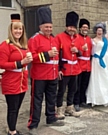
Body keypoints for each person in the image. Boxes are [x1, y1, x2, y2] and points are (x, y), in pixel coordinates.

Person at [27, 7, 64, 135]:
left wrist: (58, 70)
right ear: (40, 27)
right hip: (39, 76)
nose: (49, 29)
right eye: (46, 27)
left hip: (53, 74)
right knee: (36, 101)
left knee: (51, 98)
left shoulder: (54, 39)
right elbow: (32, 57)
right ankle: (33, 125)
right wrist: (47, 54)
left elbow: (57, 57)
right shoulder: (34, 39)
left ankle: (51, 118)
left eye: (50, 27)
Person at [0, 14, 32, 135]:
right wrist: (20, 63)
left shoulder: (24, 45)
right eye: (16, 29)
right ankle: (12, 132)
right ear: (11, 30)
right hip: (11, 81)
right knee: (12, 109)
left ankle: (11, 128)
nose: (18, 31)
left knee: (17, 108)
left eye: (20, 29)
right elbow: (1, 64)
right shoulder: (5, 45)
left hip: (22, 81)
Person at [55, 11, 81, 119]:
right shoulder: (59, 37)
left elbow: (81, 53)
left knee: (72, 90)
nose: (71, 29)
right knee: (61, 90)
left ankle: (69, 108)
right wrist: (58, 69)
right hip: (64, 69)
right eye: (70, 27)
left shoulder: (78, 37)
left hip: (74, 69)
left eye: (73, 27)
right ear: (66, 26)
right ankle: (59, 109)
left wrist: (78, 51)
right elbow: (56, 55)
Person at [86, 23, 108, 106]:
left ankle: (107, 97)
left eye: (101, 30)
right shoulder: (92, 40)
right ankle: (96, 98)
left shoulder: (105, 40)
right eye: (98, 30)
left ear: (103, 31)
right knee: (96, 78)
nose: (99, 32)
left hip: (104, 59)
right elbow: (91, 51)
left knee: (105, 76)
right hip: (96, 60)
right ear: (96, 31)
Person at [74, 18, 92, 111]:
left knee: (85, 84)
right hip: (79, 65)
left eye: (87, 27)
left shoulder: (89, 39)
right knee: (78, 85)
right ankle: (76, 102)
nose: (85, 29)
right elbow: (75, 51)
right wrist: (81, 49)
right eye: (83, 27)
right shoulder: (76, 37)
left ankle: (82, 101)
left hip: (88, 66)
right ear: (80, 28)